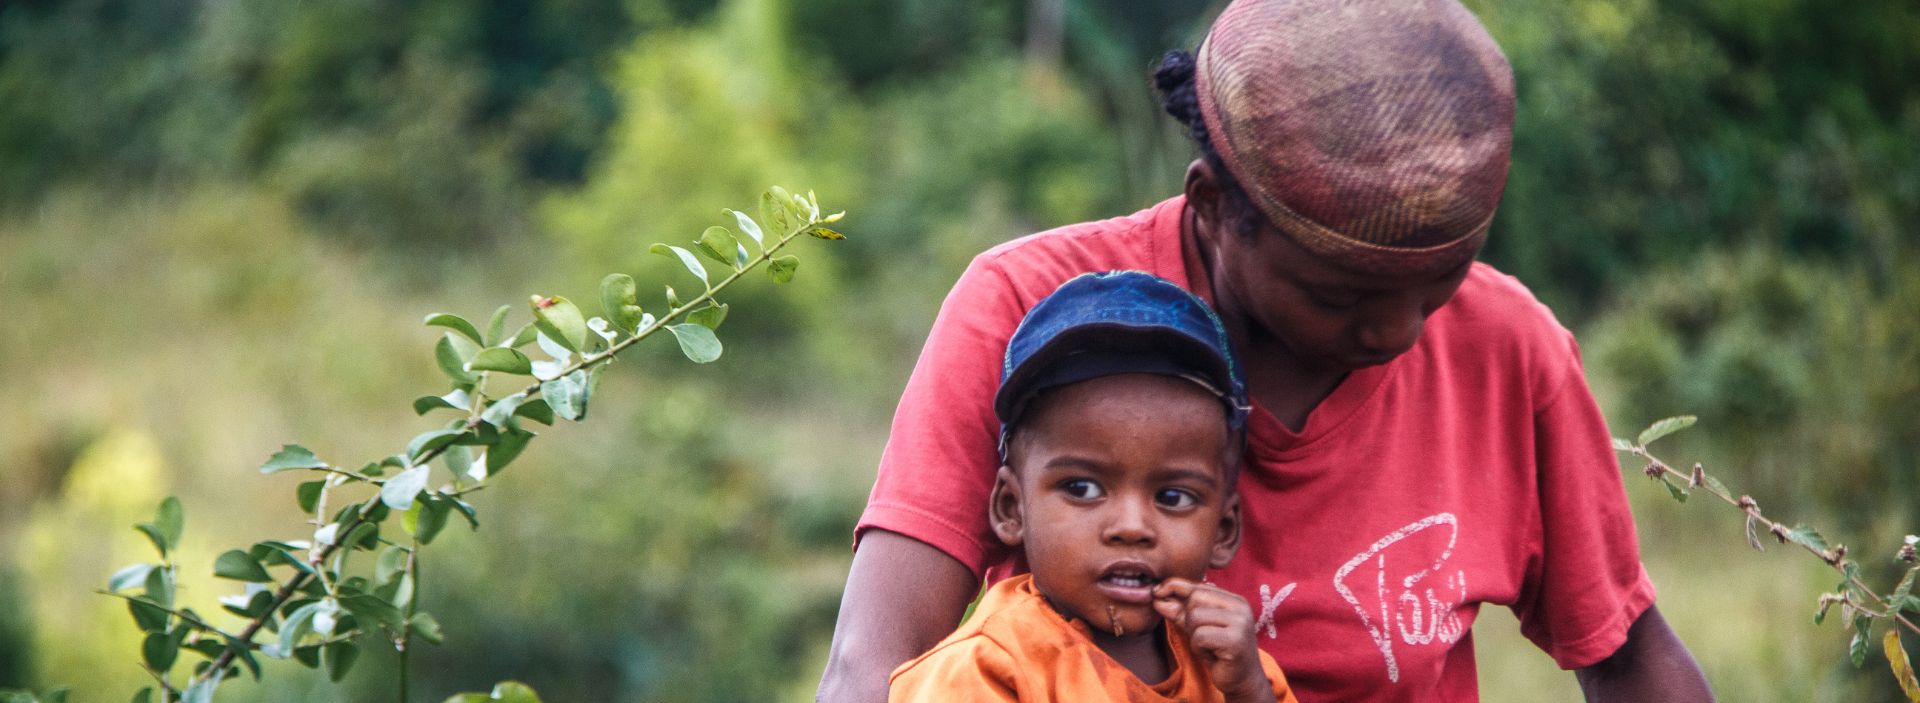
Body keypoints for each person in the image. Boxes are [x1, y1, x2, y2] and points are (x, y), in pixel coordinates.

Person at [820, 0, 1716, 701]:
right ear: (1211, 206)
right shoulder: (1033, 309)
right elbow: (873, 668)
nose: (1399, 334)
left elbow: (1628, 654)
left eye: (1439, 286)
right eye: (1339, 296)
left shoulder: (1507, 347)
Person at [888, 271, 1299, 703]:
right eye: (1082, 488)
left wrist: (1251, 692)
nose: (1131, 527)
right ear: (1012, 508)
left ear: (1223, 530)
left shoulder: (1232, 673)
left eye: (1172, 497)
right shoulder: (986, 668)